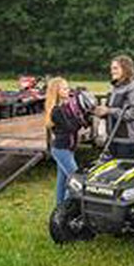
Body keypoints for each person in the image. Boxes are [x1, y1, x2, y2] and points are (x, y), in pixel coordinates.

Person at [93, 55, 134, 159]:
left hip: (127, 142)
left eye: (115, 68)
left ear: (125, 69)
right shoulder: (115, 88)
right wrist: (102, 112)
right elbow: (111, 111)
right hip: (112, 139)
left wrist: (109, 111)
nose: (112, 71)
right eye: (111, 68)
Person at [45, 77, 80, 206]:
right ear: (57, 91)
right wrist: (80, 119)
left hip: (67, 148)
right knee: (76, 180)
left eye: (68, 87)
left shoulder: (64, 107)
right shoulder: (57, 111)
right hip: (61, 149)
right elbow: (71, 127)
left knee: (62, 180)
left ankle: (59, 208)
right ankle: (66, 208)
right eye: (64, 88)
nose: (68, 90)